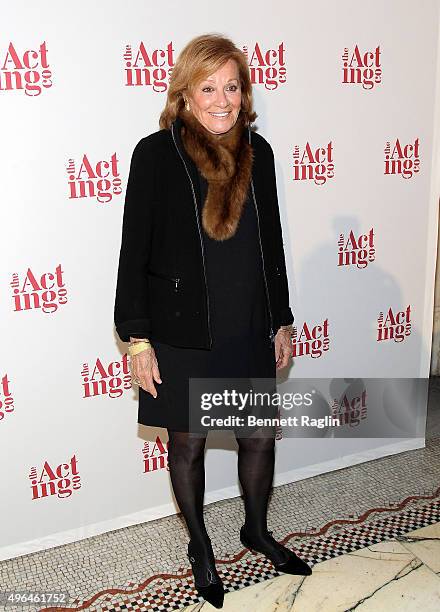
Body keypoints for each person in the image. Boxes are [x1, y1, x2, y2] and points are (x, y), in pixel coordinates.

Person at [114, 33, 312, 609]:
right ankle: (201, 546)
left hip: (247, 322)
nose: (222, 100)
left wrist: (281, 318)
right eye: (208, 88)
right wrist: (138, 339)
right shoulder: (156, 154)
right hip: (181, 329)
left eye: (232, 86)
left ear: (244, 92)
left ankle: (255, 529)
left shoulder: (261, 152)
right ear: (186, 94)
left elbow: (269, 242)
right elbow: (134, 251)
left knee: (258, 436)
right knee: (189, 441)